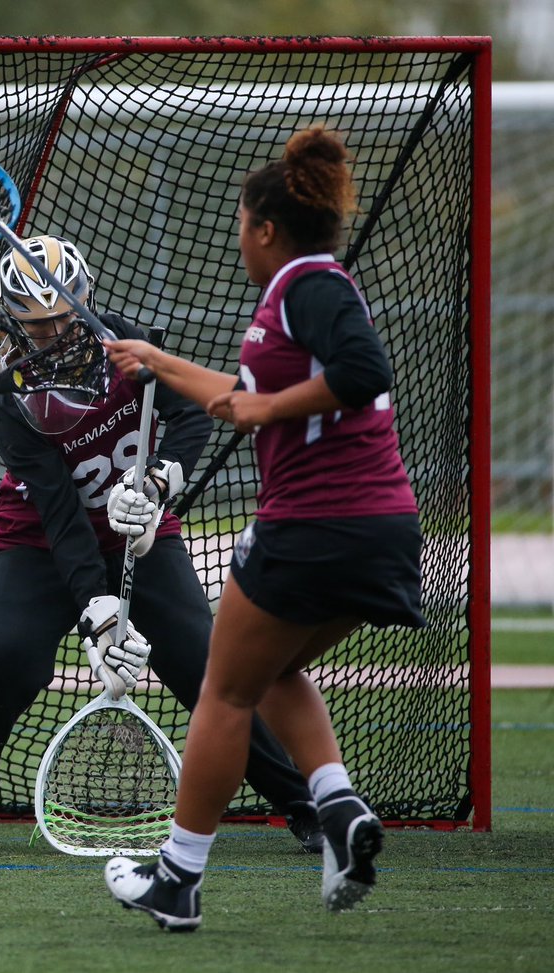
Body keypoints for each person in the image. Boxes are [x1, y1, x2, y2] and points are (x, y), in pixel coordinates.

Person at [0, 234, 324, 855]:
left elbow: (194, 413)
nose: (54, 336)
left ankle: (299, 801)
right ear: (12, 321)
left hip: (140, 534)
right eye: (37, 328)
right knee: (6, 655)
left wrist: (159, 483)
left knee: (210, 667)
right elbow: (59, 513)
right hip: (37, 545)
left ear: (85, 302)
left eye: (64, 321)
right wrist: (98, 611)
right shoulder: (12, 397)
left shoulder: (131, 349)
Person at [102, 125, 425, 931]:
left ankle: (177, 880)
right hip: (380, 531)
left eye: (242, 228)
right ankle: (340, 810)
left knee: (224, 687)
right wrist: (157, 361)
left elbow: (363, 373)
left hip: (315, 525)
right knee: (274, 674)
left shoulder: (310, 285)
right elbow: (239, 392)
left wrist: (268, 407)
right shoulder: (299, 298)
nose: (239, 240)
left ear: (266, 229)